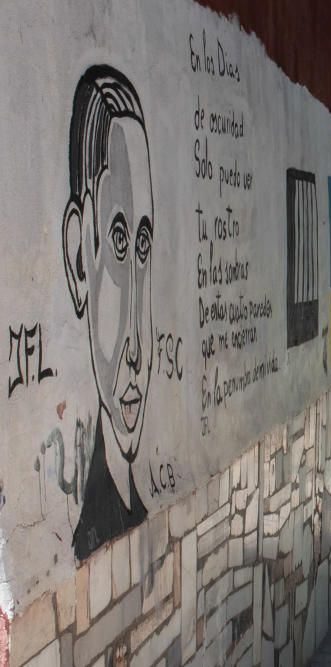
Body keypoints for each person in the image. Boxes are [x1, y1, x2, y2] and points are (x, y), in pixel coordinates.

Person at [61, 65, 153, 559]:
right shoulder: (88, 534)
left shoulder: (133, 506)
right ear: (79, 256)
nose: (137, 347)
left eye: (143, 245)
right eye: (118, 242)